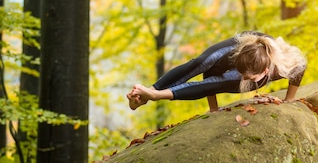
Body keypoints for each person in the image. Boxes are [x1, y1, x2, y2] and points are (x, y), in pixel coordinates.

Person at [126, 31, 307, 112]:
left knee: (218, 84)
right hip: (243, 46)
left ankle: (154, 95)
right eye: (242, 73)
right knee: (200, 63)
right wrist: (213, 107)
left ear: (266, 71)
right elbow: (210, 72)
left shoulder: (282, 65)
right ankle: (144, 95)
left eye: (247, 76)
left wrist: (289, 99)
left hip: (258, 63)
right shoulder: (236, 56)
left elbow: (300, 67)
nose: (244, 77)